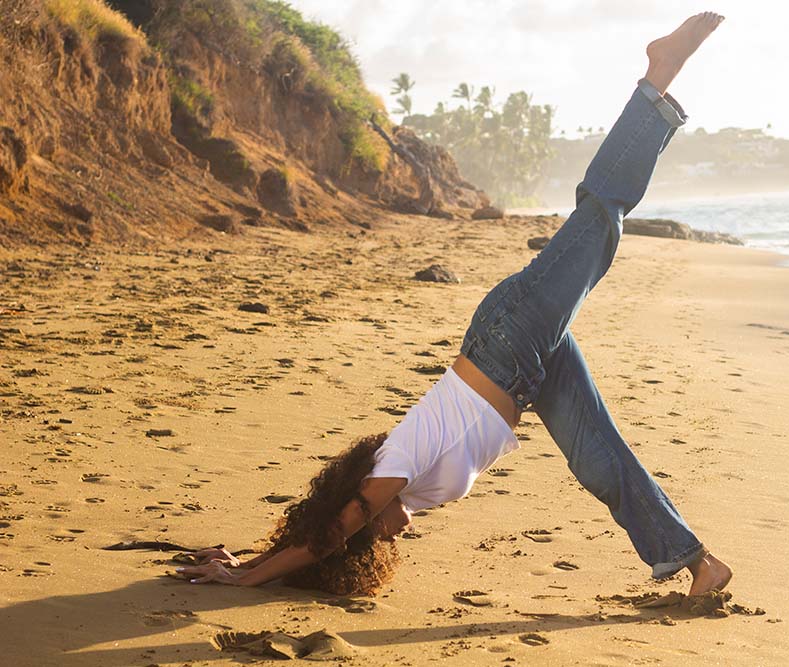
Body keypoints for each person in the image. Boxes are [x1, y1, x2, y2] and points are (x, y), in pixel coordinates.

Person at [176, 12, 732, 597]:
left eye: (373, 534)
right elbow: (319, 535)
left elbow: (327, 536)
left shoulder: (392, 467)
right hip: (524, 372)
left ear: (357, 513)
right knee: (600, 460)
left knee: (598, 221)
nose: (389, 537)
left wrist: (249, 575)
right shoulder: (406, 487)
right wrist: (258, 554)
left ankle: (657, 79)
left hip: (509, 337)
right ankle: (698, 564)